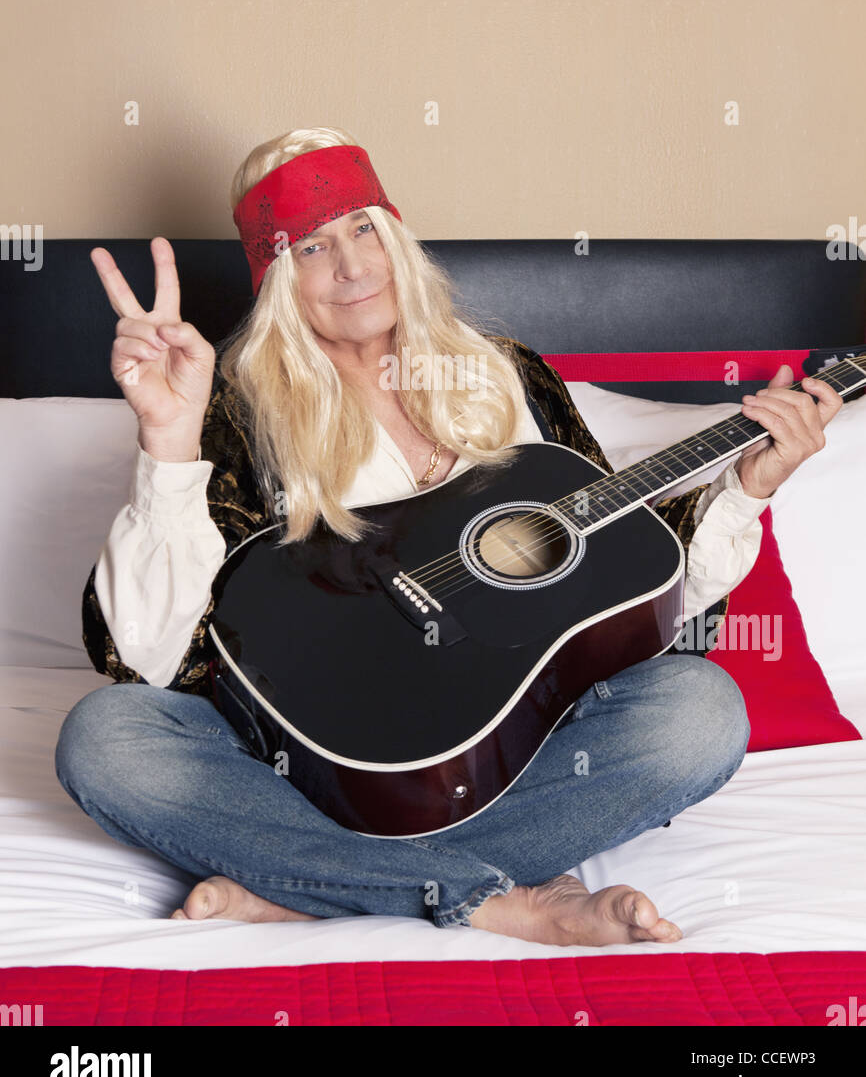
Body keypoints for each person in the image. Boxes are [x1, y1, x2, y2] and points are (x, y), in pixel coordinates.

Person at [54, 127, 841, 946]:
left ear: (396, 236)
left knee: (702, 712)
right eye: (314, 247)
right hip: (314, 767)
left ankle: (311, 884)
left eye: (364, 229)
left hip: (516, 746)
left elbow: (618, 569)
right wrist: (169, 442)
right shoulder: (237, 407)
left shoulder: (508, 374)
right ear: (278, 278)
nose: (353, 266)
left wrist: (747, 483)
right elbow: (144, 658)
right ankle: (497, 898)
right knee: (107, 739)